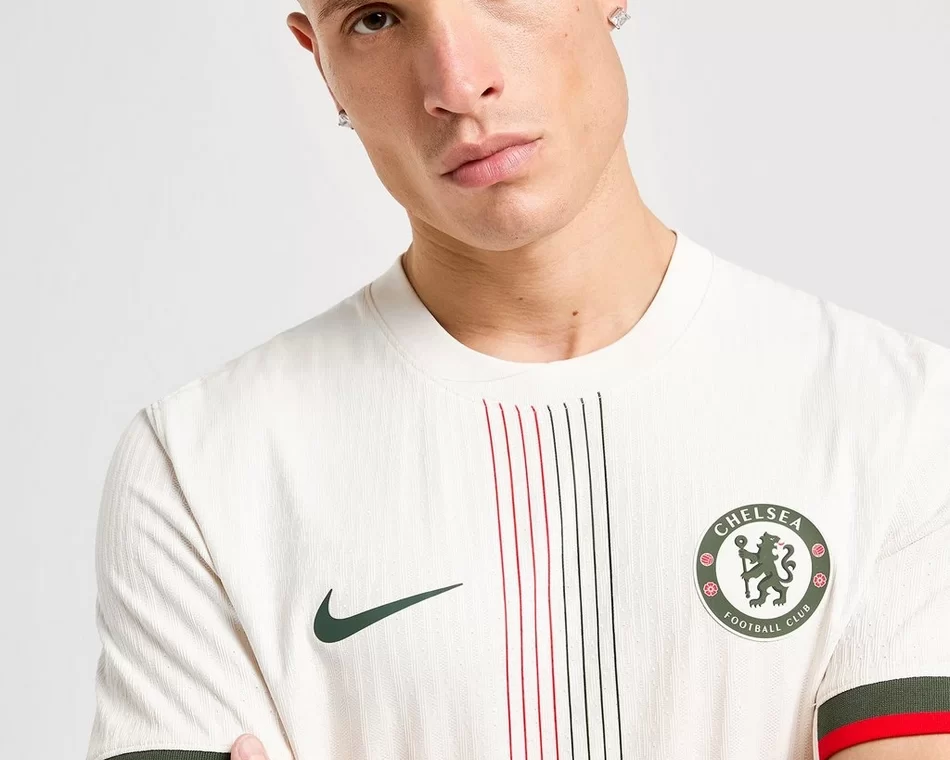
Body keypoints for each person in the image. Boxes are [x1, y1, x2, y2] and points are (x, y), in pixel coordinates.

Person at [84, 0, 950, 758]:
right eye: (375, 18)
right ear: (322, 65)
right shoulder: (201, 465)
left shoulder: (898, 416)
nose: (458, 84)